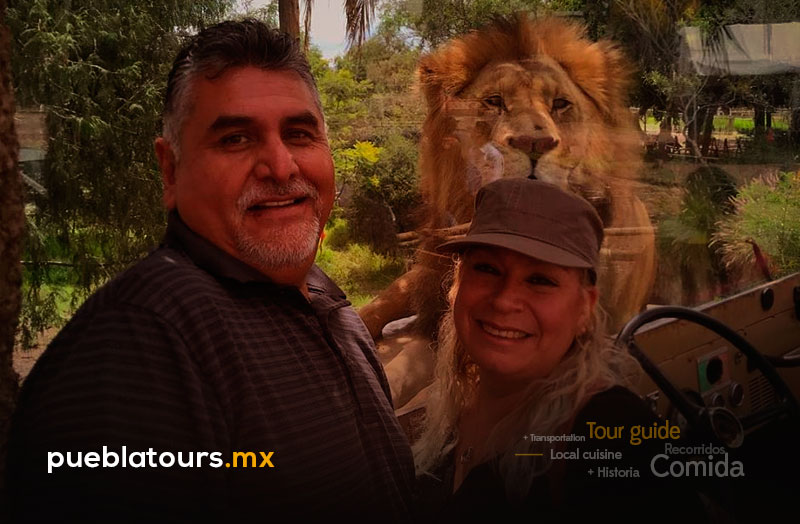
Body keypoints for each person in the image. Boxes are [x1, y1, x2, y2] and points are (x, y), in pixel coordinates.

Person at [7, 20, 414, 522]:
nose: (281, 166)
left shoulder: (326, 305)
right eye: (236, 139)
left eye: (299, 134)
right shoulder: (142, 344)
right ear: (170, 170)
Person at [413, 178, 709, 522]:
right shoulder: (453, 404)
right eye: (487, 269)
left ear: (584, 309)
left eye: (540, 280)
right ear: (456, 285)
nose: (505, 299)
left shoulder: (613, 434)